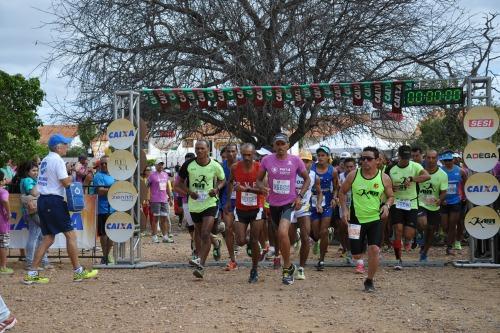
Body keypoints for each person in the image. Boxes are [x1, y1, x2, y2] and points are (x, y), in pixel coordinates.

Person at [23, 133, 98, 284]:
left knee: (48, 238)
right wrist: (75, 172)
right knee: (71, 236)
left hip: (44, 201)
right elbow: (65, 183)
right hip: (53, 201)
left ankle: (31, 273)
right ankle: (78, 271)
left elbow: (44, 182)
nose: (67, 147)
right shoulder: (57, 160)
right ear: (58, 147)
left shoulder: (45, 160)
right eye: (65, 144)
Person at [256, 133, 311, 285]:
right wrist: (263, 188)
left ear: (288, 146)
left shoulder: (295, 161)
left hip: (289, 203)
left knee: (282, 232)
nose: (280, 147)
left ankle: (286, 268)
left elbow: (307, 179)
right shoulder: (267, 160)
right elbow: (258, 180)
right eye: (277, 144)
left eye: (283, 144)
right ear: (274, 146)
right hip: (273, 204)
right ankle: (289, 265)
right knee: (279, 236)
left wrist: (299, 196)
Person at [339, 147, 394, 292]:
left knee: (374, 249)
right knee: (356, 253)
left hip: (375, 219)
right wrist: (344, 210)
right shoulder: (353, 175)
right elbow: (342, 192)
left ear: (377, 161)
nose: (365, 161)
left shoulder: (384, 178)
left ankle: (369, 281)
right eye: (362, 158)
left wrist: (387, 206)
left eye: (369, 158)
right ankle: (360, 256)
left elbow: (391, 196)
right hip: (356, 220)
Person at [174, 140, 225, 279]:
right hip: (194, 204)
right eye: (197, 148)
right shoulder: (188, 165)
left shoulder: (215, 165)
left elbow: (222, 180)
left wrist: (217, 189)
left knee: (205, 232)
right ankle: (201, 252)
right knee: (198, 232)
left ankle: (201, 265)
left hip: (210, 203)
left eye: (202, 148)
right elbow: (177, 184)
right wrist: (189, 192)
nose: (199, 151)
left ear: (208, 149)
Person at [227, 143, 267, 282]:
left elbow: (264, 190)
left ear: (254, 154)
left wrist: (247, 190)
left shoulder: (260, 168)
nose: (246, 157)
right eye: (244, 154)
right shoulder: (234, 167)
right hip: (240, 208)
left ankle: (254, 269)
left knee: (255, 240)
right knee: (241, 240)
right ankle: (251, 243)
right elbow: (231, 182)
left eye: (249, 155)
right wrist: (228, 200)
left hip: (257, 208)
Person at [387, 145, 430, 270]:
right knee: (398, 230)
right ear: (399, 156)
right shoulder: (391, 168)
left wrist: (412, 179)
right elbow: (384, 182)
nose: (406, 160)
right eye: (403, 157)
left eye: (408, 157)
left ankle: (408, 240)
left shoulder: (415, 166)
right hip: (396, 202)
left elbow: (427, 176)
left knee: (408, 234)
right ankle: (398, 259)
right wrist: (390, 188)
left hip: (411, 203)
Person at [289, 150, 318, 280]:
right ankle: (296, 239)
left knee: (306, 238)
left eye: (307, 161)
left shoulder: (313, 176)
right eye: (302, 160)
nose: (304, 163)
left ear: (311, 163)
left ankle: (301, 268)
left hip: (304, 208)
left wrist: (319, 202)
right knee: (290, 239)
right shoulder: (291, 173)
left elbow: (319, 191)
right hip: (289, 208)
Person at [310, 146, 338, 271]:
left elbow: (337, 187)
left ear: (328, 157)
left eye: (323, 155)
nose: (320, 158)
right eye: (319, 155)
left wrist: (334, 198)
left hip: (327, 200)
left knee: (323, 230)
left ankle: (321, 259)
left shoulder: (333, 171)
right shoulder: (311, 169)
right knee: (316, 233)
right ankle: (318, 240)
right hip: (313, 200)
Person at [20, 161, 51, 270]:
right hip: (33, 211)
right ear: (27, 172)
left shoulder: (29, 180)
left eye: (37, 170)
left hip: (33, 211)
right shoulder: (28, 180)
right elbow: (33, 193)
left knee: (40, 236)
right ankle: (30, 263)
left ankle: (42, 261)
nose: (36, 172)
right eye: (33, 170)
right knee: (35, 236)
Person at [417, 150, 448, 262]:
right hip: (420, 202)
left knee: (431, 231)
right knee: (422, 223)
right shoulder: (420, 171)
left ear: (437, 159)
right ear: (425, 158)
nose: (430, 160)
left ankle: (424, 253)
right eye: (428, 158)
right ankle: (419, 234)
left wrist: (440, 199)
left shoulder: (442, 175)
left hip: (434, 205)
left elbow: (444, 191)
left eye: (433, 158)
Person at [440, 150, 467, 255]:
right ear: (443, 161)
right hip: (444, 202)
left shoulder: (460, 171)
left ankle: (449, 246)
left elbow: (466, 182)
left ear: (453, 160)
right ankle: (451, 237)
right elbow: (436, 186)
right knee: (444, 226)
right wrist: (441, 198)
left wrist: (464, 195)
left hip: (456, 200)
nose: (448, 162)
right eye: (445, 160)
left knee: (452, 224)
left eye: (449, 160)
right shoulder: (440, 171)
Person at [92, 155, 116, 264]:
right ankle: (105, 255)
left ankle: (107, 255)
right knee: (104, 234)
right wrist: (115, 189)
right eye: (102, 163)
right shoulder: (98, 176)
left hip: (114, 209)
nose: (104, 165)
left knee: (112, 233)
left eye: (106, 163)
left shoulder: (115, 175)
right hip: (102, 209)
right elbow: (100, 191)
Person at [220, 144, 238, 271]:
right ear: (225, 153)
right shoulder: (221, 167)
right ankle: (233, 260)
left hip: (244, 200)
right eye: (228, 151)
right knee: (228, 229)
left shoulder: (243, 164)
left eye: (233, 151)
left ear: (237, 152)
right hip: (227, 200)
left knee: (245, 232)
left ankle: (250, 243)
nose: (231, 154)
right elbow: (218, 182)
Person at [148, 159, 174, 243]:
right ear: (155, 166)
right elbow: (146, 187)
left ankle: (165, 237)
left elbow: (167, 187)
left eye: (162, 164)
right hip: (155, 200)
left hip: (164, 199)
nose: (161, 166)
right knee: (155, 218)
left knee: (164, 218)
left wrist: (170, 197)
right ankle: (154, 236)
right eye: (159, 164)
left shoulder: (165, 175)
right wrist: (148, 197)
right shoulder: (151, 175)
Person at [338, 157, 356, 266]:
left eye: (351, 167)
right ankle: (347, 249)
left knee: (353, 230)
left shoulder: (359, 176)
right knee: (343, 228)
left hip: (356, 207)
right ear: (343, 167)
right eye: (347, 167)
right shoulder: (340, 177)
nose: (349, 169)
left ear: (355, 166)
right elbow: (337, 190)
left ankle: (352, 253)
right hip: (343, 206)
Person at [0, 171, 13, 275]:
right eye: (4, 179)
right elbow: (5, 200)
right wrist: (8, 213)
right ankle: (3, 267)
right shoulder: (3, 192)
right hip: (2, 223)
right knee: (3, 245)